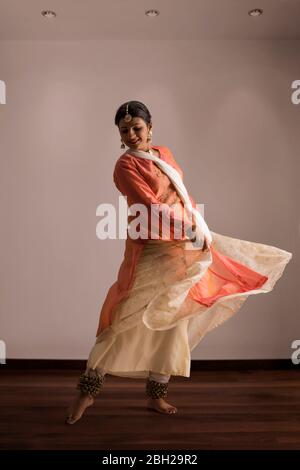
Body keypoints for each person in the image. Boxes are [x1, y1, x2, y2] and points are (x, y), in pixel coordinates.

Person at [65, 100, 292, 424]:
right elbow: (152, 205)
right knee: (123, 317)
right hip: (150, 248)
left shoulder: (164, 154)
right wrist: (191, 227)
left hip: (182, 245)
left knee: (174, 319)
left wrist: (194, 226)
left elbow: (180, 195)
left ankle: (157, 393)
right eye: (124, 130)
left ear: (150, 127)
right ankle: (86, 392)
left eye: (137, 128)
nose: (131, 135)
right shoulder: (125, 166)